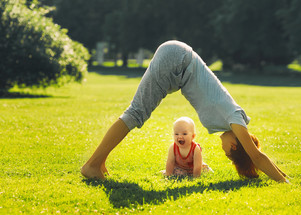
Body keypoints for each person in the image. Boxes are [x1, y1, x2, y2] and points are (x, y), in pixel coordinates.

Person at [81, 40, 289, 183]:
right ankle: (92, 165)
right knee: (136, 113)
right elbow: (258, 157)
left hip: (178, 66)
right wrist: (285, 181)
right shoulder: (235, 120)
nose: (223, 149)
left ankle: (99, 162)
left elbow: (257, 156)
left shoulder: (233, 119)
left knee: (137, 112)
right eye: (227, 152)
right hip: (177, 60)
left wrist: (281, 172)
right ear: (235, 145)